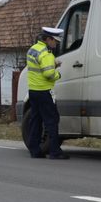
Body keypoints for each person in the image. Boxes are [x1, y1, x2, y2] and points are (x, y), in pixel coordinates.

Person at [25, 26, 69, 160]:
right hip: (44, 92)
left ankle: (35, 150)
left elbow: (38, 68)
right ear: (48, 39)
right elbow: (49, 74)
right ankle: (55, 151)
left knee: (35, 120)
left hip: (33, 91)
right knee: (52, 120)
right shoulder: (47, 54)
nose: (56, 44)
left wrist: (52, 66)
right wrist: (58, 73)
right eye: (55, 41)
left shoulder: (33, 49)